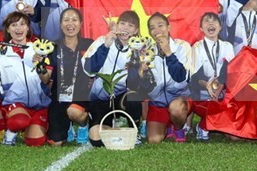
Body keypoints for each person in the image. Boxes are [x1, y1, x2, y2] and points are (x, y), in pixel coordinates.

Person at [0, 12, 51, 146]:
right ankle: (10, 132)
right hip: (14, 104)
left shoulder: (39, 49)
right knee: (19, 121)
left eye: (22, 24)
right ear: (7, 29)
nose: (18, 29)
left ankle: (28, 127)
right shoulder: (0, 52)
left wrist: (40, 66)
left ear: (28, 28)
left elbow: (46, 80)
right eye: (14, 25)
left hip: (40, 104)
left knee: (36, 141)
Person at [82, 11, 144, 147]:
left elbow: (134, 85)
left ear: (136, 31)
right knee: (96, 139)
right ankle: (119, 130)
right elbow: (88, 70)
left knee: (133, 97)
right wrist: (106, 46)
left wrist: (135, 59)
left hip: (121, 96)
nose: (125, 28)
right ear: (117, 26)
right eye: (122, 23)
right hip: (100, 98)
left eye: (131, 25)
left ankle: (135, 131)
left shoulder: (139, 50)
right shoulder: (102, 41)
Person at [129, 13, 192, 144]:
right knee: (153, 139)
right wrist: (141, 74)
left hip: (179, 98)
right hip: (157, 102)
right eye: (152, 27)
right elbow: (144, 87)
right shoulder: (146, 51)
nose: (156, 30)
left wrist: (169, 53)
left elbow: (180, 77)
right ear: (150, 32)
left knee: (176, 108)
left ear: (168, 28)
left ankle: (178, 127)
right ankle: (168, 124)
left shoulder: (182, 46)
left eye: (160, 25)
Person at [46, 8, 94, 146]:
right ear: (61, 25)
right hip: (59, 97)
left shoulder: (89, 45)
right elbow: (45, 79)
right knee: (55, 143)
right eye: (66, 20)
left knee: (74, 111)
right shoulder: (52, 47)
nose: (70, 24)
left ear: (81, 23)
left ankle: (83, 125)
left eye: (74, 20)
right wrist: (41, 68)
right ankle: (68, 127)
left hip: (82, 96)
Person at [189, 12, 236, 140]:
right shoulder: (196, 47)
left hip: (222, 94)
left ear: (220, 27)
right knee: (213, 108)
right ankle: (204, 126)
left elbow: (229, 72)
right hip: (203, 95)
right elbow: (195, 77)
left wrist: (218, 89)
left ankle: (209, 124)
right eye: (206, 21)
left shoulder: (228, 46)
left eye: (214, 21)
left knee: (234, 137)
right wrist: (207, 85)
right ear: (201, 29)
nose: (211, 23)